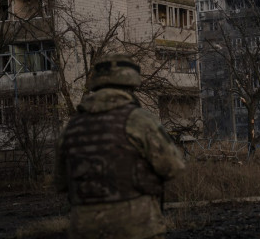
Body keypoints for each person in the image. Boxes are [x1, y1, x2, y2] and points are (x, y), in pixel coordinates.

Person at [57, 54, 186, 239]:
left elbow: (60, 183)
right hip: (137, 226)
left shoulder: (72, 127)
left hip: (84, 229)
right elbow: (173, 167)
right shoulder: (140, 120)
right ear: (131, 84)